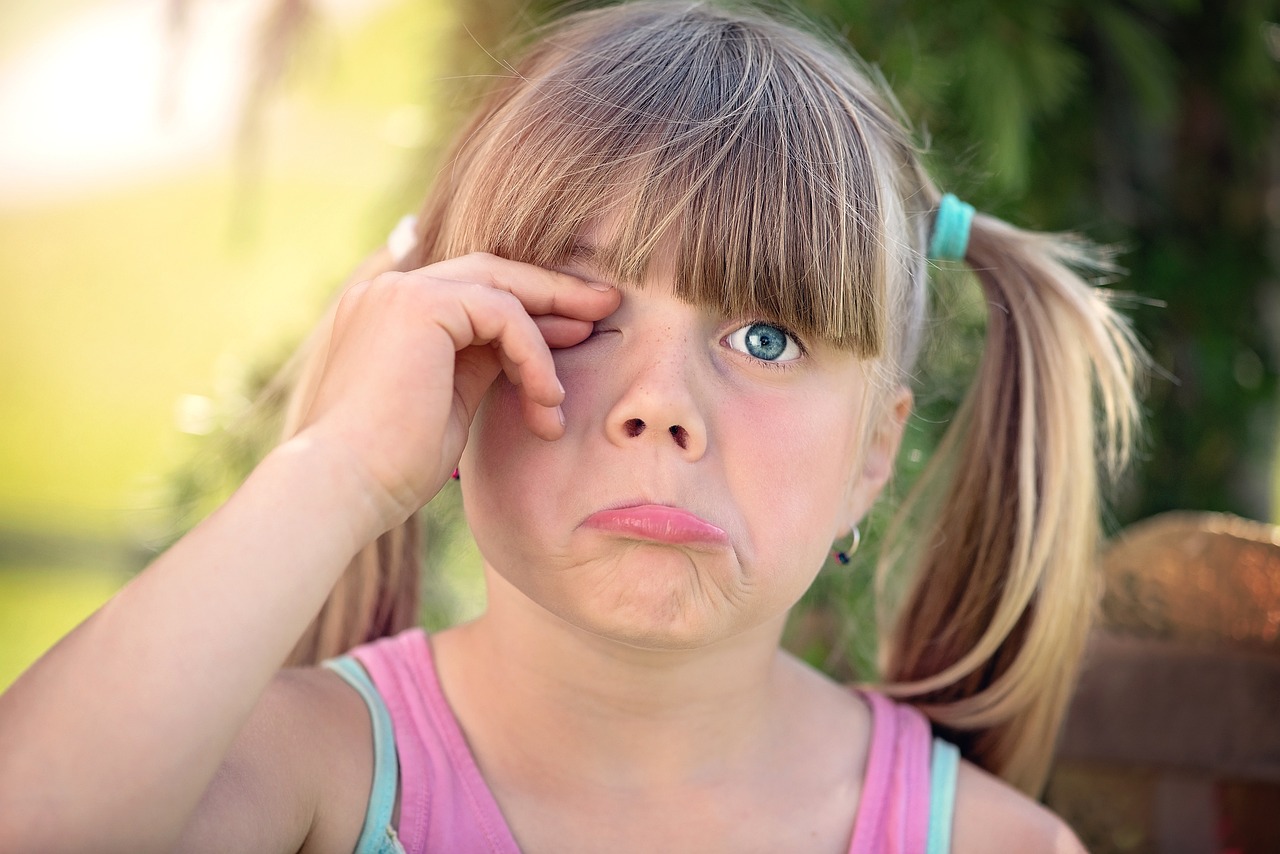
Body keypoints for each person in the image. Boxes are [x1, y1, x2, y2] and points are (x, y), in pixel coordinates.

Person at [0, 1, 1143, 851]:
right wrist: (339, 465)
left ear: (873, 454)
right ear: (455, 364)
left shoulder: (992, 845)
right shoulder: (323, 776)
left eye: (764, 338)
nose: (662, 406)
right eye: (581, 316)